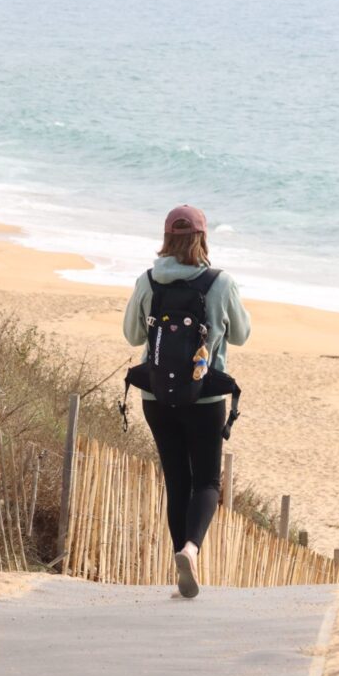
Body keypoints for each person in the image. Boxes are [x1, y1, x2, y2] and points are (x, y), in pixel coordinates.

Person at [123, 204, 250, 598]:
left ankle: (182, 567)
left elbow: (132, 336)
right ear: (202, 238)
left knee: (177, 479)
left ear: (166, 238)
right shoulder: (220, 282)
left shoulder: (148, 281)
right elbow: (242, 334)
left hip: (156, 395)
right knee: (208, 480)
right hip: (205, 395)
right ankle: (191, 550)